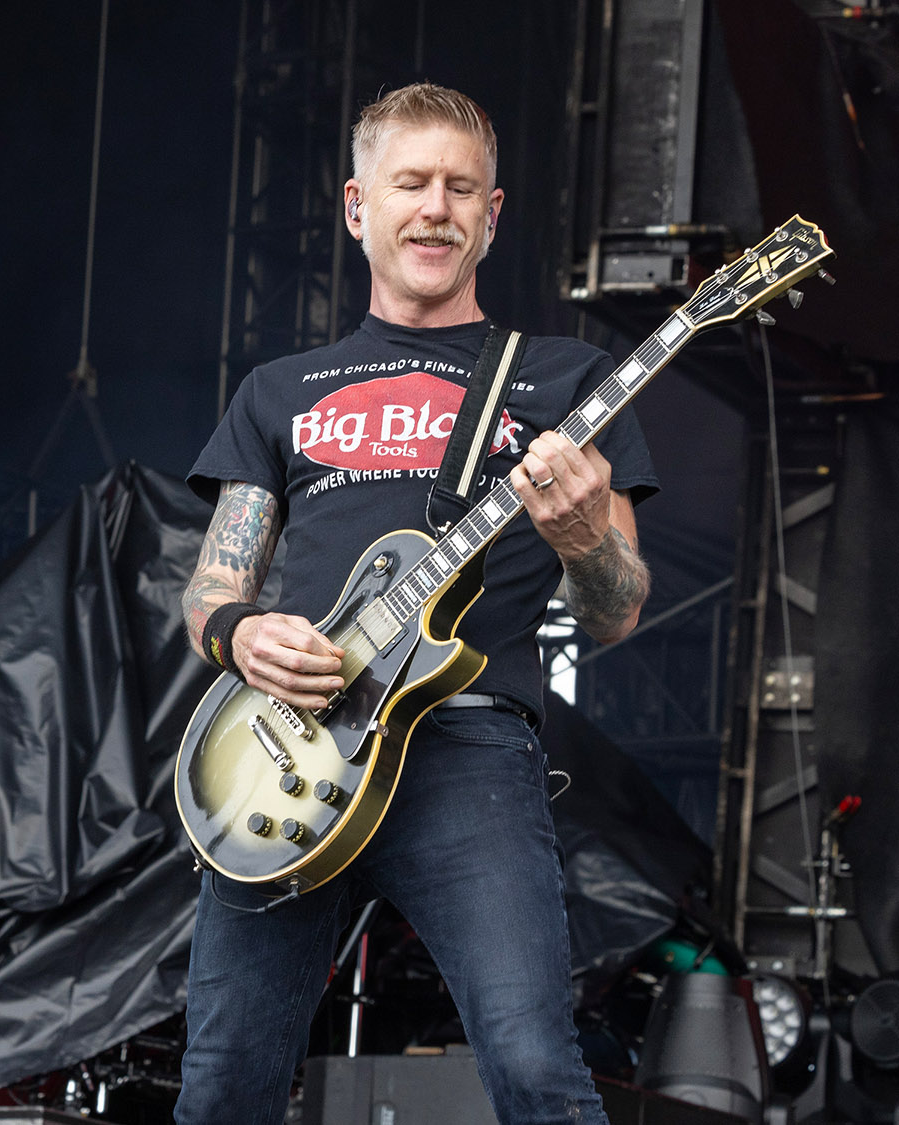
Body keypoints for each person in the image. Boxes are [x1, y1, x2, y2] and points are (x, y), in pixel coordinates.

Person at [175, 84, 656, 1123]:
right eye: (412, 183)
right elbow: (217, 582)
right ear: (359, 206)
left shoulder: (563, 380)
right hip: (287, 750)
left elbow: (615, 611)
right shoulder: (279, 389)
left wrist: (581, 539)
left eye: (460, 188)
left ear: (492, 214)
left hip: (469, 753)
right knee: (221, 1088)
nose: (435, 208)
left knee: (534, 1067)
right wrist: (239, 632)